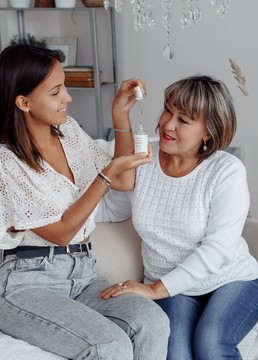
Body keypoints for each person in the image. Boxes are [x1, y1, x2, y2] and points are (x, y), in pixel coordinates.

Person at [0, 44, 169, 360]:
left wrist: (120, 114)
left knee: (152, 321)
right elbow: (62, 232)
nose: (68, 98)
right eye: (56, 92)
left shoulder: (69, 133)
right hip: (27, 283)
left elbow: (122, 179)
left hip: (83, 273)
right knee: (108, 346)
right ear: (23, 102)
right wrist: (103, 177)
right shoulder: (6, 162)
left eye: (64, 86)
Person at [98, 75, 258, 360]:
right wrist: (57, 217)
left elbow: (218, 250)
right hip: (173, 287)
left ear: (208, 132)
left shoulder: (226, 170)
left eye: (184, 120)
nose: (167, 124)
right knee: (176, 355)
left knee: (211, 344)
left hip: (230, 280)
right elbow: (114, 209)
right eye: (168, 110)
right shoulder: (144, 156)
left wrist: (154, 289)